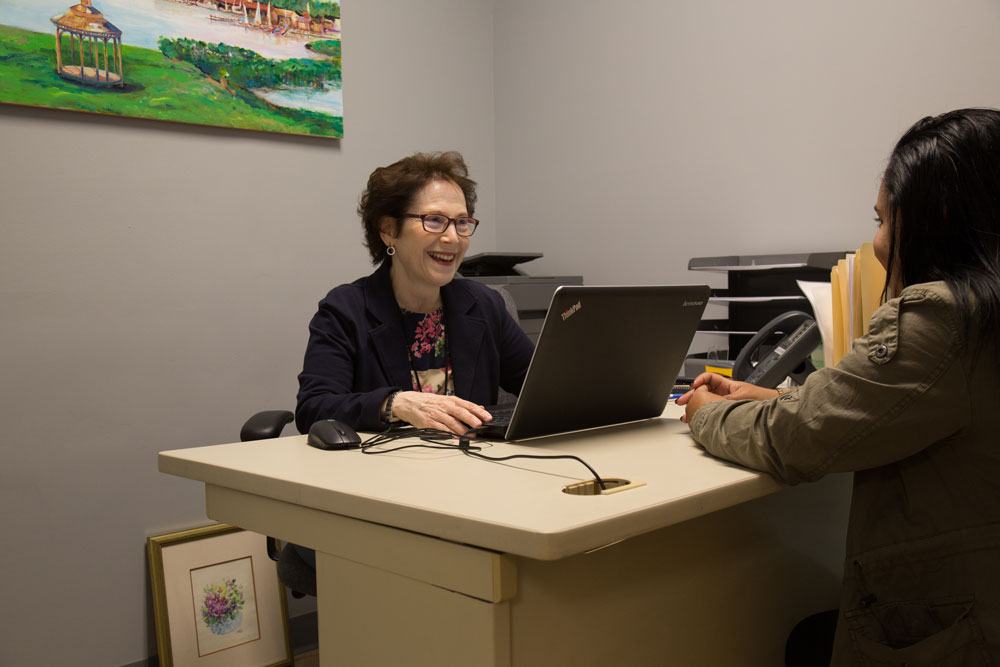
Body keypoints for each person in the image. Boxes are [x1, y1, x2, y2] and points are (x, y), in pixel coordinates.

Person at [677, 108, 1000, 666]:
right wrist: (779, 396)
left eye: (883, 220)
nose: (876, 242)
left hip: (954, 621)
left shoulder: (943, 318)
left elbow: (796, 441)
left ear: (938, 217)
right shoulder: (986, 313)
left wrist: (705, 411)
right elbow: (907, 407)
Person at [296, 150, 534, 435]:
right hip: (382, 473)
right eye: (434, 220)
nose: (452, 237)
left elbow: (543, 387)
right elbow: (314, 409)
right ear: (388, 230)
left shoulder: (483, 305)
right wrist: (394, 404)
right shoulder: (346, 309)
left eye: (462, 222)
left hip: (475, 469)